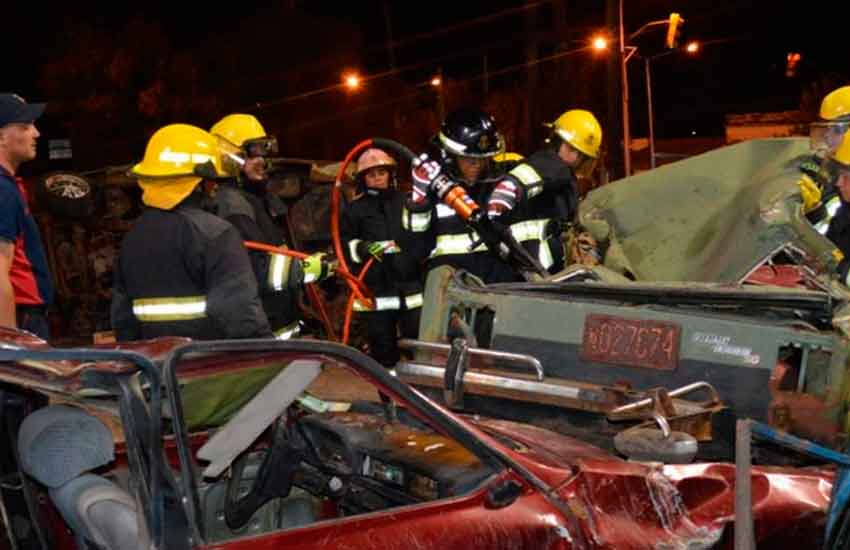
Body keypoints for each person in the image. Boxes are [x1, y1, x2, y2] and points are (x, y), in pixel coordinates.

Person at [111, 123, 272, 341]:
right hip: (211, 367)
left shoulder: (134, 237)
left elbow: (123, 320)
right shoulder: (216, 234)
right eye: (212, 179)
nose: (215, 186)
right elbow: (241, 316)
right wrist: (267, 355)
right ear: (198, 183)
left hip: (156, 368)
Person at [209, 114, 333, 339]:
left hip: (279, 323)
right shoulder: (233, 206)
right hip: (265, 332)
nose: (263, 161)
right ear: (229, 158)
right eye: (253, 152)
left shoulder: (255, 199)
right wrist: (306, 270)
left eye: (264, 151)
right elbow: (256, 270)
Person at [403, 107, 517, 283]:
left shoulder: (497, 186)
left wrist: (517, 184)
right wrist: (419, 202)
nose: (477, 165)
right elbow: (414, 253)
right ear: (448, 155)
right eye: (470, 159)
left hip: (499, 293)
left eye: (483, 158)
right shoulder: (433, 192)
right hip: (453, 298)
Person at [486, 109, 602, 273]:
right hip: (530, 267)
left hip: (531, 267)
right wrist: (499, 202)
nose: (578, 159)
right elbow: (516, 184)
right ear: (561, 144)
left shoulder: (561, 176)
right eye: (575, 151)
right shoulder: (554, 165)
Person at [341, 148, 424, 367]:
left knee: (420, 349)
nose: (377, 178)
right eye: (371, 174)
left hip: (411, 290)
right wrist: (363, 248)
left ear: (390, 174)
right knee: (383, 353)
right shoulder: (354, 210)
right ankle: (390, 398)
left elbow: (421, 236)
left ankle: (420, 395)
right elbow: (344, 246)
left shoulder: (406, 202)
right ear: (363, 179)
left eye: (381, 172)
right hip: (376, 292)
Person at [0, 94, 53, 339]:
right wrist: (11, 345)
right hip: (22, 320)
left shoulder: (9, 186)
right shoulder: (2, 189)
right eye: (25, 126)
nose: (36, 133)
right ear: (1, 137)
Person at [802, 86, 850, 233]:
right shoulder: (821, 166)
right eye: (825, 128)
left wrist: (815, 211)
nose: (827, 136)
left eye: (835, 129)